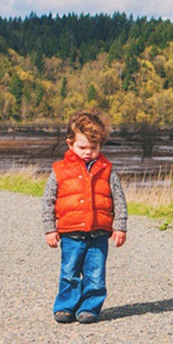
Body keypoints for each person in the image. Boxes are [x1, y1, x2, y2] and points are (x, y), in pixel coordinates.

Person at [41, 110, 127, 324]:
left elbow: (119, 199)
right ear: (70, 144)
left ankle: (89, 307)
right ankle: (65, 306)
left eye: (93, 148)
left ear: (100, 146)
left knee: (95, 275)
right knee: (69, 273)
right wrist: (50, 229)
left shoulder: (106, 170)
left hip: (99, 233)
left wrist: (120, 227)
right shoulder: (60, 170)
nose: (88, 152)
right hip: (71, 233)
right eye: (82, 147)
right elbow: (48, 201)